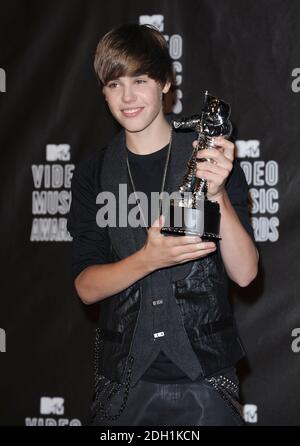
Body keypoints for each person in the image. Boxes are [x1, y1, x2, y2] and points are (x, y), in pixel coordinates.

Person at [67, 23, 258, 426]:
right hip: (121, 385)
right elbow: (86, 288)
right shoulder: (93, 174)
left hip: (207, 379)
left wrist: (218, 192)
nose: (128, 96)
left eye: (140, 80)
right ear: (103, 91)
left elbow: (245, 274)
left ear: (167, 82)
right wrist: (148, 258)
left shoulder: (211, 160)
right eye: (115, 84)